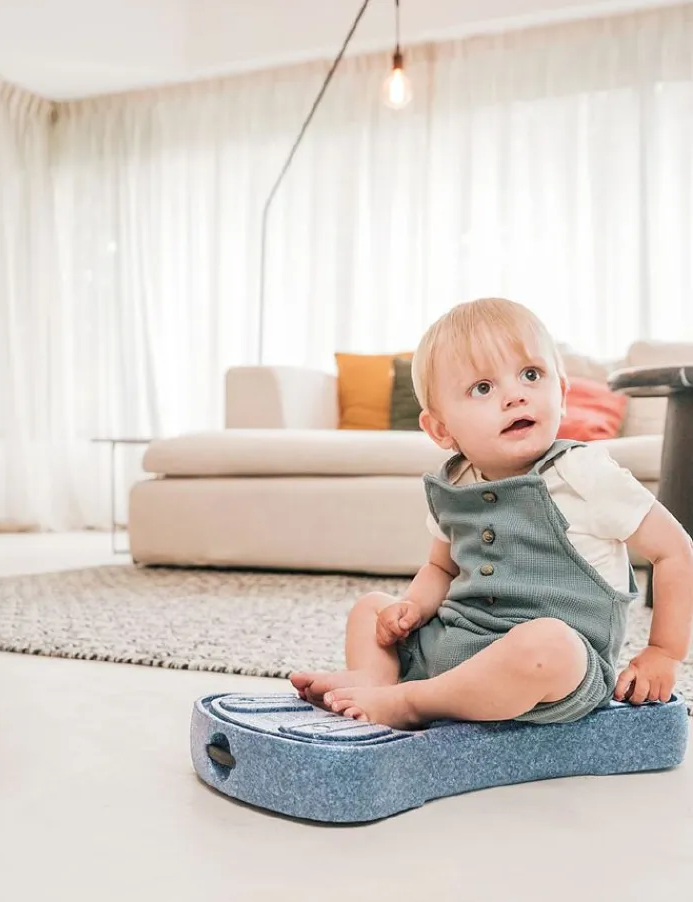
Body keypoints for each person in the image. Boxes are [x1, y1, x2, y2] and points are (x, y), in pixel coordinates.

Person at [290, 298, 693, 730]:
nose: (515, 395)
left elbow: (675, 550)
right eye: (483, 388)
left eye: (531, 375)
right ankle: (374, 678)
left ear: (561, 393)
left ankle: (412, 701)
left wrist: (663, 652)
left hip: (550, 672)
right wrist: (411, 607)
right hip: (456, 643)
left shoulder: (584, 473)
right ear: (441, 429)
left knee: (547, 645)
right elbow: (440, 568)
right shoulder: (455, 482)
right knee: (370, 608)